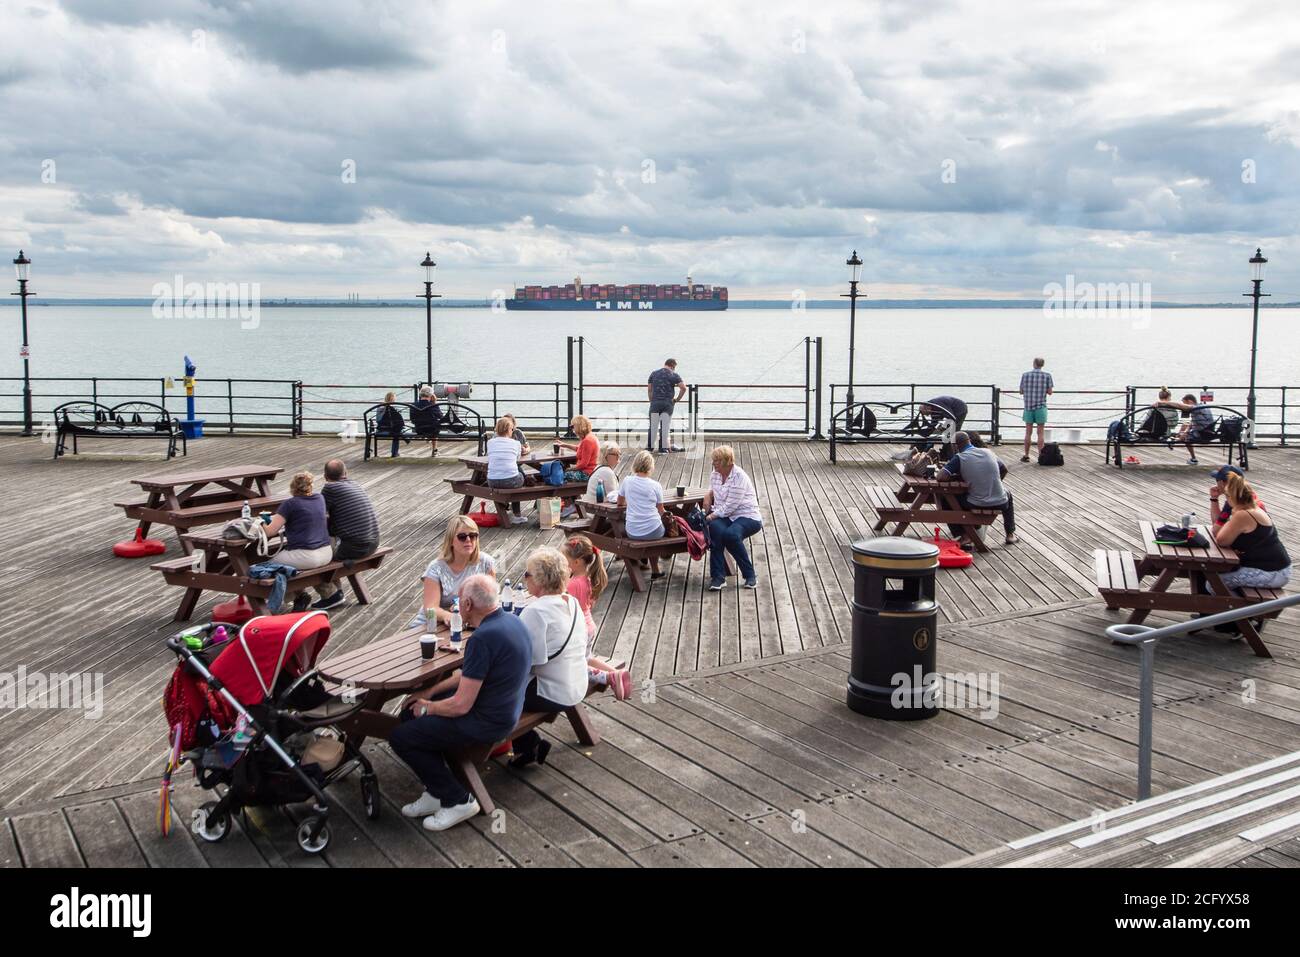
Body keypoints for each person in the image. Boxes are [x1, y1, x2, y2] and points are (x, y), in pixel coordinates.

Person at [391, 575, 532, 831]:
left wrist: (428, 707)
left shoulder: (482, 638)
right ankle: (435, 791)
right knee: (411, 715)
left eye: (458, 601)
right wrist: (431, 691)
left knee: (402, 737)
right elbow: (467, 677)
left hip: (487, 722)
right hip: (505, 708)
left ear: (467, 604)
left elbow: (460, 706)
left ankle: (458, 800)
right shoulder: (512, 622)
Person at [510, 549, 592, 768]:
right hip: (577, 682)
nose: (525, 579)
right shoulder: (571, 602)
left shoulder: (535, 611)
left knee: (497, 688)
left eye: (527, 575)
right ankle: (527, 745)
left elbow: (528, 662)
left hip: (554, 692)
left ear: (539, 579)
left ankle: (527, 743)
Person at [560, 534, 632, 700]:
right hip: (589, 625)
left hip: (579, 630)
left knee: (577, 665)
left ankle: (609, 677)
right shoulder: (588, 578)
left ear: (576, 562)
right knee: (587, 658)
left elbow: (566, 607)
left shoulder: (573, 584)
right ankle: (618, 673)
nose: (563, 563)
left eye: (564, 559)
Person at [409, 516, 497, 629]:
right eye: (462, 537)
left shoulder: (486, 563)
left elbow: (490, 601)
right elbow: (430, 608)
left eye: (473, 536)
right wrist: (450, 616)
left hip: (468, 622)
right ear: (450, 541)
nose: (468, 540)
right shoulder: (436, 568)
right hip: (431, 625)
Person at [263, 471, 334, 611]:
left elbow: (270, 531)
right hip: (326, 553)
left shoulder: (290, 504)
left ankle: (291, 598)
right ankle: (303, 595)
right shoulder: (320, 498)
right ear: (310, 486)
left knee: (270, 566)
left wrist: (260, 522)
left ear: (292, 487)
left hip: (306, 555)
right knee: (292, 566)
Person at [313, 459, 379, 610]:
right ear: (346, 473)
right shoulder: (356, 484)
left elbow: (319, 515)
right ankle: (336, 593)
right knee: (332, 542)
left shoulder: (329, 489)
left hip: (357, 547)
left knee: (318, 558)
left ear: (325, 476)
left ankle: (331, 595)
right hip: (373, 542)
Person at [1212, 471, 1290, 593]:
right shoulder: (1254, 509)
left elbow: (1221, 540)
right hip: (1280, 569)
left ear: (1232, 497)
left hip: (1271, 573)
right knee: (1214, 574)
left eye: (1227, 496)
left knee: (1213, 583)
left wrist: (1232, 516)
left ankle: (1238, 611)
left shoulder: (1243, 514)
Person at [938, 431, 1018, 547]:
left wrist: (956, 475)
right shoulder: (988, 452)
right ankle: (1010, 534)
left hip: (976, 503)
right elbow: (1004, 469)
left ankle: (963, 535)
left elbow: (940, 477)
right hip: (1001, 502)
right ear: (969, 441)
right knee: (1008, 494)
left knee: (945, 497)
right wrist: (991, 483)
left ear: (955, 446)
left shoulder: (960, 457)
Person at [703, 445, 763, 592]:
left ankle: (749, 575)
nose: (714, 463)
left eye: (716, 461)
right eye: (713, 460)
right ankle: (718, 577)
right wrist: (708, 494)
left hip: (747, 515)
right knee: (715, 532)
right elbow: (715, 492)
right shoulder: (715, 475)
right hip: (726, 515)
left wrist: (710, 516)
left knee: (731, 535)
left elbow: (730, 506)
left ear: (726, 461)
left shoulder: (739, 477)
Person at [619, 450, 669, 579]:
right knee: (656, 529)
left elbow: (620, 502)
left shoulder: (627, 481)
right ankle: (656, 567)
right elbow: (661, 510)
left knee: (645, 532)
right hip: (654, 530)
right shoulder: (655, 485)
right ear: (650, 467)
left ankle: (645, 562)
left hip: (633, 531)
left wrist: (631, 503)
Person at [486, 416, 529, 525]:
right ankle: (517, 515)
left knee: (510, 472)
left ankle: (505, 506)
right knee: (520, 474)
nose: (512, 431)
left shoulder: (490, 442)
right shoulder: (516, 443)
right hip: (511, 480)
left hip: (492, 481)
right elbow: (516, 459)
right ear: (509, 429)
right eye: (512, 429)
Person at [1155, 393, 1215, 465]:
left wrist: (1161, 402)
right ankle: (1175, 441)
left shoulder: (1195, 408)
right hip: (1209, 431)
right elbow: (1193, 422)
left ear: (1189, 401)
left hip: (1203, 435)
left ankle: (1193, 458)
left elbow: (1178, 405)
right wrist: (1186, 431)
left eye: (1185, 404)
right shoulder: (1202, 406)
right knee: (1185, 426)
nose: (1184, 407)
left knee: (1186, 438)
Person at [647, 358, 686, 453]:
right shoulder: (674, 375)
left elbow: (649, 390)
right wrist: (677, 399)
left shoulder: (654, 373)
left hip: (655, 403)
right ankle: (662, 449)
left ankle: (650, 448)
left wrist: (652, 401)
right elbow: (683, 388)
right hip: (668, 403)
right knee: (664, 426)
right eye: (674, 367)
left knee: (653, 426)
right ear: (672, 365)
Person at [1018, 358, 1054, 462]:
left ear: (1034, 364)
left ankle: (1026, 455)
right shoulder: (1047, 376)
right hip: (1041, 407)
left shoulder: (1025, 375)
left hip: (1028, 406)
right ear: (1042, 365)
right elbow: (1050, 391)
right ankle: (1040, 456)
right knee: (1040, 433)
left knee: (1028, 432)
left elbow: (1021, 391)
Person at [559, 414, 598, 483]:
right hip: (591, 471)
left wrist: (570, 469)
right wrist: (565, 445)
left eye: (572, 426)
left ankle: (568, 493)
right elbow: (580, 449)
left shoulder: (587, 441)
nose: (572, 429)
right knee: (562, 472)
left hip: (587, 473)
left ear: (578, 426)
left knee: (560, 475)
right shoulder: (590, 436)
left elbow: (583, 464)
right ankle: (571, 493)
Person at [411, 384, 442, 457]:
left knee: (432, 426)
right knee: (435, 427)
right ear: (431, 395)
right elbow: (441, 416)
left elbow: (412, 419)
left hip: (419, 429)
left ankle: (431, 443)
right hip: (432, 430)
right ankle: (434, 450)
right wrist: (434, 403)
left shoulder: (414, 405)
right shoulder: (433, 405)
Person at [377, 391, 406, 458]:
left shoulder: (379, 408)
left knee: (396, 431)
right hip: (391, 430)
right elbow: (400, 422)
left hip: (380, 429)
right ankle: (394, 452)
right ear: (393, 399)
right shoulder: (393, 409)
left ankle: (395, 452)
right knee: (397, 432)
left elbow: (378, 420)